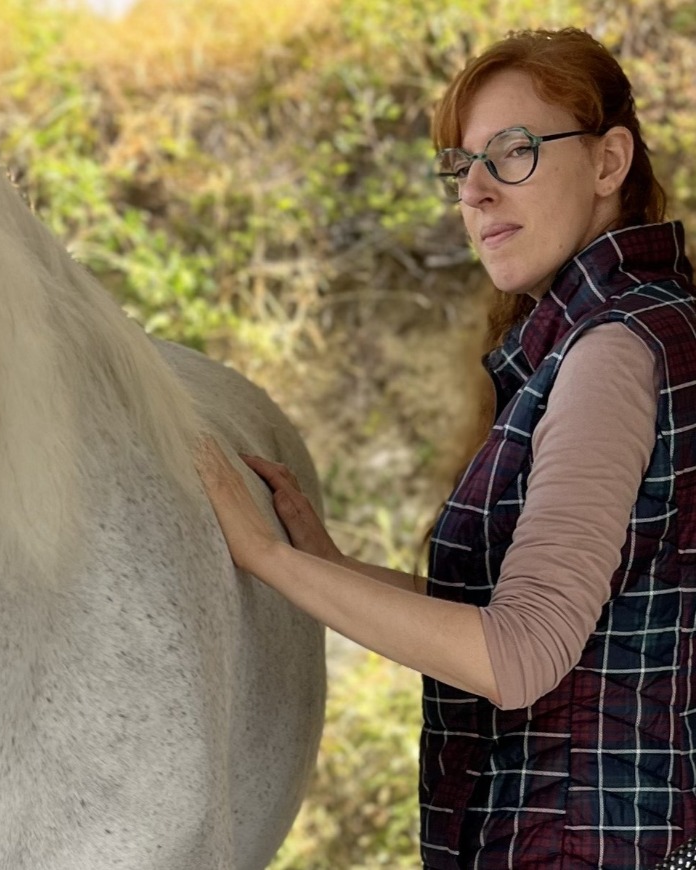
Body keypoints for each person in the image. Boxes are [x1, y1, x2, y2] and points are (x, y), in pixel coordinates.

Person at [196, 27, 696, 870]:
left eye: (513, 152)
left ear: (610, 162)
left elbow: (519, 656)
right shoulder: (637, 324)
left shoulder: (611, 350)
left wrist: (262, 557)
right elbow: (564, 619)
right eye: (462, 167)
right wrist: (330, 564)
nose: (477, 193)